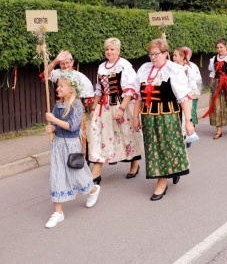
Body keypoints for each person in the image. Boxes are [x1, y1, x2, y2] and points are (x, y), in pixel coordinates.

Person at [132, 39, 194, 201]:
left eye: (156, 54)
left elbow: (183, 97)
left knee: (167, 147)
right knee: (153, 149)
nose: (153, 57)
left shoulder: (174, 70)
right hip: (148, 118)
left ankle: (162, 182)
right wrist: (135, 117)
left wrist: (188, 121)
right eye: (150, 54)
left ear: (166, 53)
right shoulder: (144, 70)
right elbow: (138, 96)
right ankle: (168, 174)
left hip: (167, 117)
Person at [44, 71, 101, 229]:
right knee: (56, 176)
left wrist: (54, 120)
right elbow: (57, 127)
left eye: (61, 86)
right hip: (58, 146)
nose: (58, 88)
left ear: (70, 89)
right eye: (57, 86)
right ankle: (58, 213)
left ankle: (93, 189)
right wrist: (52, 128)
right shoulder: (56, 106)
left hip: (71, 145)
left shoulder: (77, 105)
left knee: (77, 175)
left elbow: (72, 126)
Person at [89, 38, 142, 185]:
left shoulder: (124, 66)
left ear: (118, 51)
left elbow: (130, 90)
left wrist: (121, 109)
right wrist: (94, 107)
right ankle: (96, 171)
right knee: (99, 136)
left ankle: (134, 164)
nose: (109, 52)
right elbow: (99, 89)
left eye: (112, 49)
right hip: (104, 107)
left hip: (122, 104)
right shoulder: (101, 67)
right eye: (107, 49)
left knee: (128, 135)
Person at [47, 50, 94, 156]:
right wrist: (55, 60)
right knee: (60, 131)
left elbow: (88, 96)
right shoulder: (57, 74)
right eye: (62, 63)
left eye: (68, 62)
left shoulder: (79, 77)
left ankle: (80, 159)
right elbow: (46, 74)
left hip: (74, 108)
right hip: (60, 108)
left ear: (72, 62)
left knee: (77, 133)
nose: (65, 66)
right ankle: (63, 158)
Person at [203, 38, 227, 139]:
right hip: (217, 84)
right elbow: (212, 73)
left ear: (226, 47)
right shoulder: (214, 59)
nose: (219, 49)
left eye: (221, 47)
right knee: (217, 106)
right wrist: (212, 85)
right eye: (217, 47)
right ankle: (219, 130)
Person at [172, 46, 201, 148]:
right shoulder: (172, 67)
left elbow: (193, 83)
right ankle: (179, 136)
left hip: (185, 96)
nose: (173, 57)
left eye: (175, 55)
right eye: (173, 55)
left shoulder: (188, 69)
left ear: (182, 57)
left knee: (185, 117)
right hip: (175, 97)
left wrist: (192, 94)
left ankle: (187, 136)